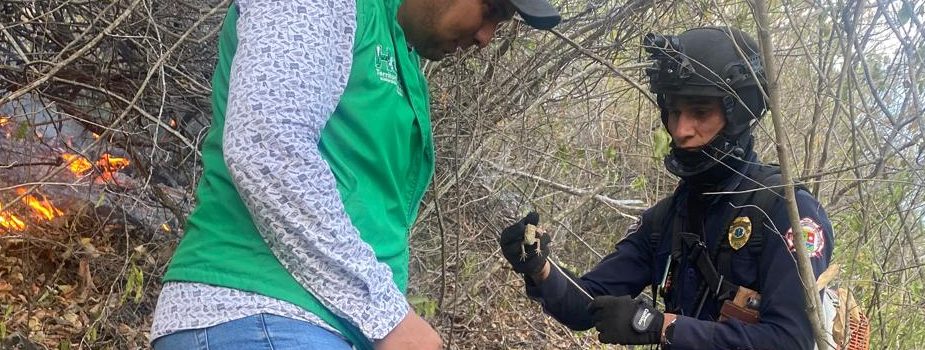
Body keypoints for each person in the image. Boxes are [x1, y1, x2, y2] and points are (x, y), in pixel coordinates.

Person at [150, 0, 560, 349]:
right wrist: (387, 316)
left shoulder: (397, 42)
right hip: (257, 312)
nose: (486, 36)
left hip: (316, 326)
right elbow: (267, 145)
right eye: (490, 9)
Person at [499, 26, 835, 349]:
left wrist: (663, 327)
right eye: (673, 111)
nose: (681, 129)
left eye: (700, 112)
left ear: (738, 114)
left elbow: (791, 341)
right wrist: (540, 268)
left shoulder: (786, 212)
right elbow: (586, 303)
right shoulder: (668, 219)